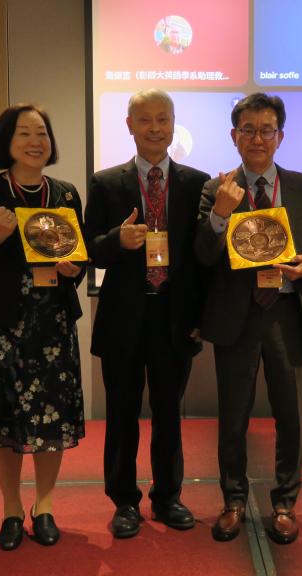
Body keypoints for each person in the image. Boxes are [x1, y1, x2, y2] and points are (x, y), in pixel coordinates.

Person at [195, 93, 302, 545]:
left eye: (266, 130)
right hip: (236, 317)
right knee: (233, 416)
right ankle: (233, 500)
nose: (257, 138)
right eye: (248, 130)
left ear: (281, 136)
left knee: (290, 416)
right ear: (234, 136)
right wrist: (220, 213)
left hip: (286, 313)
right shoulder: (217, 189)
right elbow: (202, 256)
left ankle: (285, 503)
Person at [0, 104, 86, 550]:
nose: (35, 141)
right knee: (4, 419)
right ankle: (11, 508)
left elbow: (80, 256)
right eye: (24, 133)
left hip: (52, 326)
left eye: (41, 133)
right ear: (6, 141)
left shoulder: (65, 194)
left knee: (52, 417)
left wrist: (74, 270)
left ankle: (44, 505)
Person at [85, 89, 210, 539]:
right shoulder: (105, 183)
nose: (155, 128)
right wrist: (116, 240)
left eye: (163, 119)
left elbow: (203, 259)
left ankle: (168, 497)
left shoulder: (197, 184)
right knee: (121, 415)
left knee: (169, 413)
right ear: (129, 125)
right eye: (145, 120)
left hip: (175, 318)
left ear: (174, 124)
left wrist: (201, 317)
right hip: (123, 317)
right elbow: (90, 250)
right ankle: (124, 501)